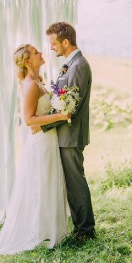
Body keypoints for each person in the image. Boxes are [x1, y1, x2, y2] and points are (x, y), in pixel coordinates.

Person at [0, 44, 71, 255]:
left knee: (48, 182)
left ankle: (50, 230)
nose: (41, 53)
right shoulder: (31, 85)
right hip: (40, 141)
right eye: (35, 52)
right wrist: (60, 116)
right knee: (40, 184)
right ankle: (38, 232)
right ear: (27, 61)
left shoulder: (39, 81)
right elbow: (29, 120)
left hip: (49, 138)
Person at [39, 22, 96, 240]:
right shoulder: (70, 64)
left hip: (71, 136)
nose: (52, 48)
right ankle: (80, 228)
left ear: (65, 41)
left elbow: (71, 107)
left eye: (53, 43)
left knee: (76, 183)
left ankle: (85, 231)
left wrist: (42, 124)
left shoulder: (79, 65)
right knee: (71, 184)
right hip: (64, 135)